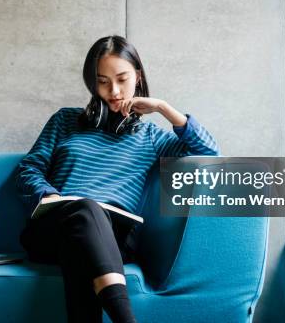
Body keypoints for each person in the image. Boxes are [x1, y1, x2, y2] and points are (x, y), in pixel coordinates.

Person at [16, 35, 219, 323]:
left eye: (122, 79)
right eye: (102, 81)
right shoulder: (64, 121)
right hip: (55, 226)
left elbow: (209, 152)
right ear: (92, 83)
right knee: (85, 210)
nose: (113, 91)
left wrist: (163, 108)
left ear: (137, 76)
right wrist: (47, 195)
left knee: (82, 243)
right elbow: (29, 168)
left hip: (113, 239)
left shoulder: (151, 138)